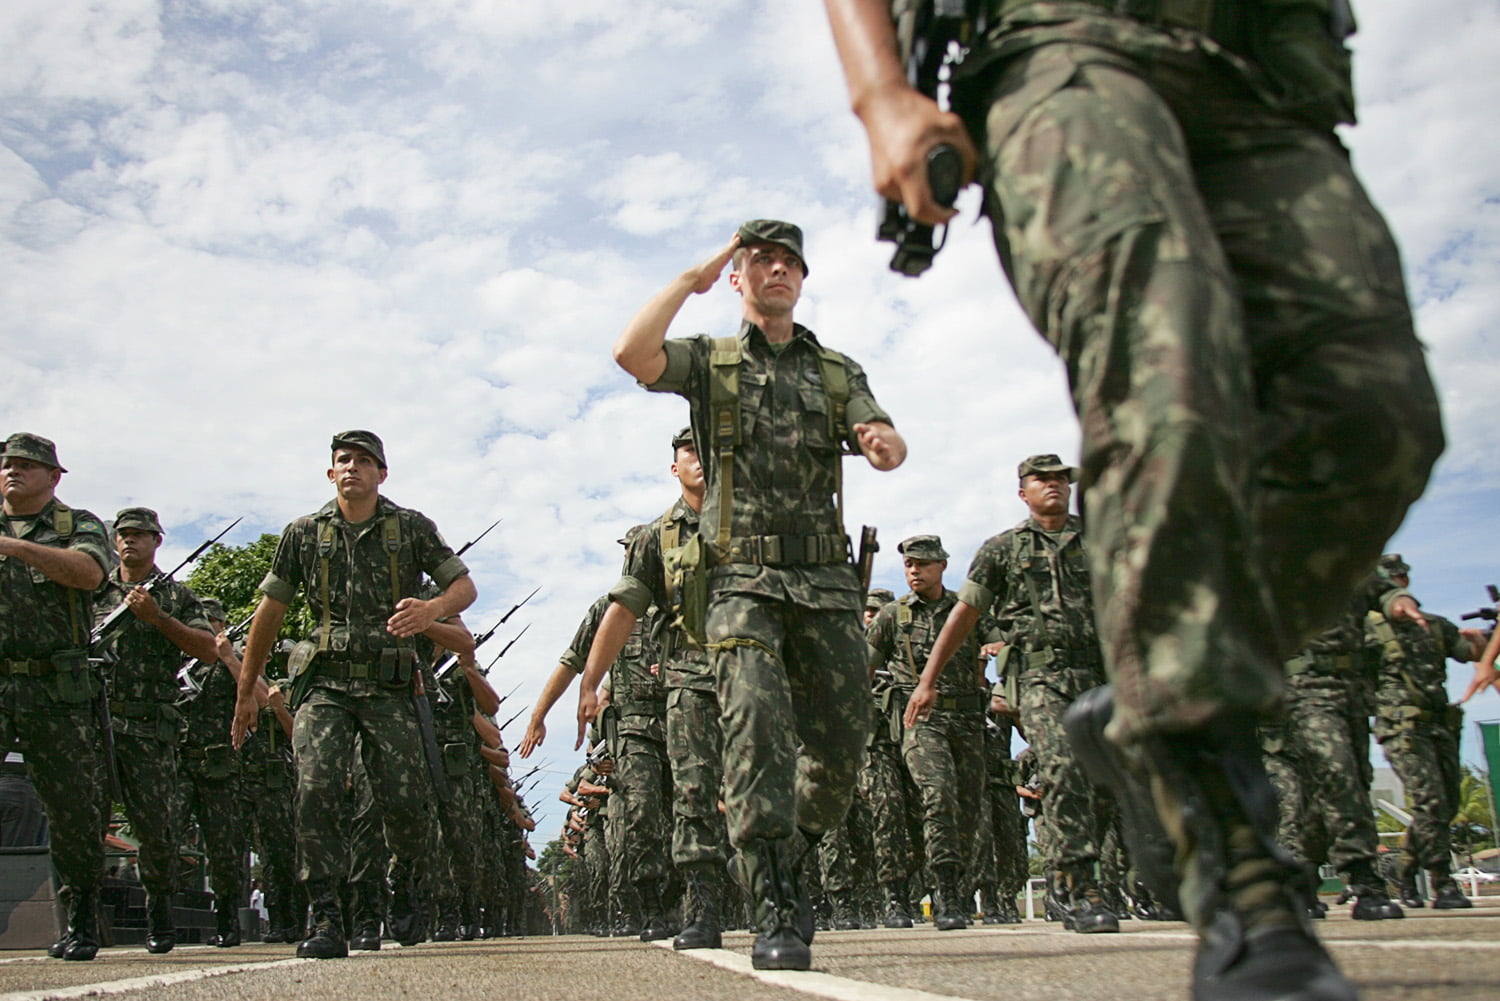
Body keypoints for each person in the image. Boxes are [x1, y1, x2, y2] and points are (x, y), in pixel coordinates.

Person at [823, 2, 1444, 996]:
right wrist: (881, 93)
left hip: (1256, 63)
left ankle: (1156, 686)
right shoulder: (990, 555)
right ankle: (1235, 871)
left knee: (1375, 410)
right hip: (1066, 46)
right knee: (1170, 374)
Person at [612, 219, 906, 970]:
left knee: (842, 746)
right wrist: (694, 276)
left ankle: (795, 841)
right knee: (756, 725)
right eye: (761, 260)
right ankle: (772, 892)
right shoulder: (709, 362)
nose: (777, 270)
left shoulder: (834, 370)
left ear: (802, 279)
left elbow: (877, 427)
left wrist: (880, 442)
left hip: (826, 583)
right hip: (739, 581)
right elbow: (632, 353)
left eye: (789, 262)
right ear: (739, 277)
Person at [230, 430, 476, 959]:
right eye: (343, 460)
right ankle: (326, 916)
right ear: (330, 472)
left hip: (390, 687)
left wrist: (432, 610)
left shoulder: (411, 527)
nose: (352, 468)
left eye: (364, 461)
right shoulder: (304, 534)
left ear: (381, 474)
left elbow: (464, 588)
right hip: (324, 685)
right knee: (314, 788)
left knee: (405, 802)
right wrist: (246, 689)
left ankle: (405, 878)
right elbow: (269, 611)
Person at [910, 457, 1116, 934]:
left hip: (1098, 672)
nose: (1054, 485)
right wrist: (928, 680)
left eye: (1061, 478)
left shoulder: (1101, 538)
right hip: (1041, 677)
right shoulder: (1002, 550)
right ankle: (1079, 884)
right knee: (1062, 765)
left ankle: (1067, 875)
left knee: (1104, 780)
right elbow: (963, 616)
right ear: (1023, 493)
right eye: (1042, 479)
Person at [575, 428, 729, 949]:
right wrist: (590, 685)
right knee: (689, 796)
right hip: (686, 685)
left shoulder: (757, 521)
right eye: (689, 450)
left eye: (708, 448)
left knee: (758, 792)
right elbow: (618, 614)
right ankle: (695, 908)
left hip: (752, 675)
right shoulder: (654, 537)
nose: (701, 458)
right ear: (674, 466)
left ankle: (777, 896)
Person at [0, 433, 111, 961]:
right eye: (7, 463)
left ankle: (81, 917)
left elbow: (89, 574)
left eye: (27, 464)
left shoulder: (76, 526)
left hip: (54, 686)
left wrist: (16, 548)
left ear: (53, 476)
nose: (13, 471)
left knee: (72, 809)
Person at [95, 506, 219, 954]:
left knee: (156, 829)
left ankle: (160, 918)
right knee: (82, 823)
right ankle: (80, 921)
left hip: (149, 725)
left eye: (140, 534)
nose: (130, 540)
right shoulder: (94, 588)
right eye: (124, 533)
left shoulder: (176, 595)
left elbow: (208, 649)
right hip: (95, 721)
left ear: (157, 541)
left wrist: (158, 618)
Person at [868, 534, 998, 929]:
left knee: (967, 810)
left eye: (923, 564)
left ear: (942, 565)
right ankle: (947, 894)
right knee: (937, 794)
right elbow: (863, 669)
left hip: (967, 721)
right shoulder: (892, 616)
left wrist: (999, 648)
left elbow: (999, 642)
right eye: (909, 564)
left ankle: (952, 883)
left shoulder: (966, 610)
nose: (914, 571)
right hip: (920, 721)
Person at [1368, 554, 1484, 909]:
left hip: (1440, 723)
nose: (1397, 584)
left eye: (1400, 578)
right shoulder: (1366, 630)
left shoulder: (1433, 625)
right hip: (1401, 726)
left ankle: (1404, 868)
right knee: (1429, 799)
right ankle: (1442, 882)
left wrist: (1484, 641)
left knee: (1446, 805)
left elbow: (1470, 652)